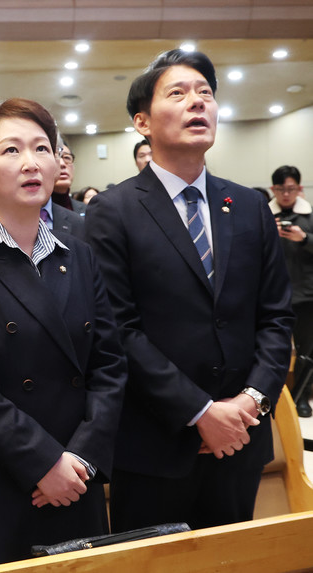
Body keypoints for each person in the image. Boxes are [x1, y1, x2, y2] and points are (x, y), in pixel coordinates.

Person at [85, 49, 293, 532]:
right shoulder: (113, 211)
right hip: (155, 441)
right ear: (142, 122)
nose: (197, 102)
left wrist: (250, 401)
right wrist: (199, 412)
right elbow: (118, 329)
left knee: (232, 559)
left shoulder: (248, 205)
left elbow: (276, 316)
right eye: (177, 93)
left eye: (205, 93)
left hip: (241, 435)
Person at [0, 98, 126, 573]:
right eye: (11, 150)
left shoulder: (79, 255)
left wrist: (82, 458)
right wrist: (43, 463)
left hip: (74, 473)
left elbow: (109, 365)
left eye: (42, 148)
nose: (32, 162)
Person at [269, 165, 313, 416]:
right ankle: (275, 398)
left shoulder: (309, 215)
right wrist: (269, 235)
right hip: (274, 295)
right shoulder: (264, 215)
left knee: (306, 350)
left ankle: (302, 397)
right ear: (273, 189)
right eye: (280, 189)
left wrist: (304, 238)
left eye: (291, 188)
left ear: (299, 188)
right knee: (274, 348)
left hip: (306, 294)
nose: (286, 194)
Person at [44, 141, 86, 217]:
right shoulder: (35, 210)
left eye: (67, 157)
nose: (62, 164)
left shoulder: (87, 209)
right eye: (55, 157)